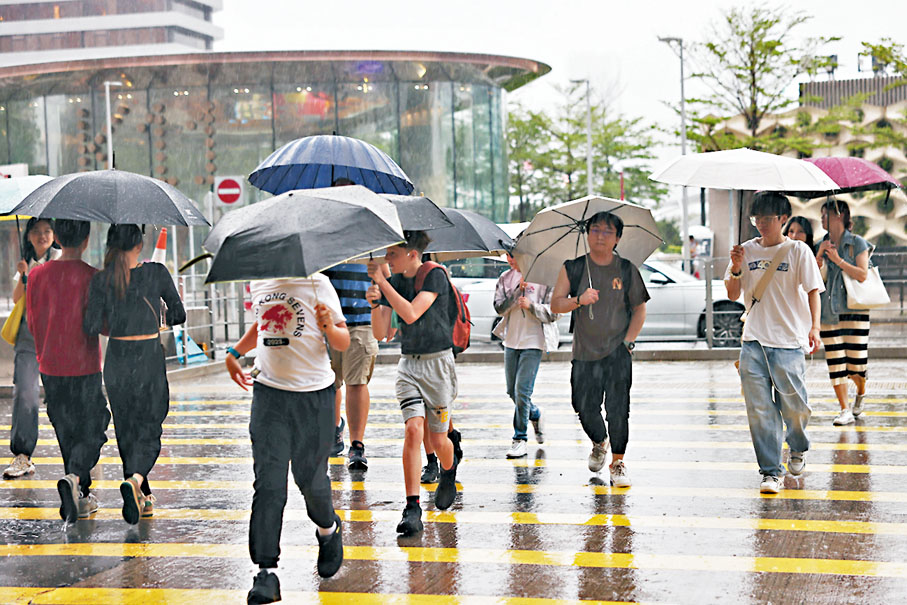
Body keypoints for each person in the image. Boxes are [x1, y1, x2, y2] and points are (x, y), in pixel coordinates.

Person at [225, 273, 349, 603]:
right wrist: (235, 352)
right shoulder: (261, 283)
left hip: (314, 396)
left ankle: (328, 529)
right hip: (269, 396)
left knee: (311, 481)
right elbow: (263, 325)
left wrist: (328, 327)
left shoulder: (317, 284)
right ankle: (267, 571)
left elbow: (343, 342)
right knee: (268, 483)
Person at [84, 224, 186, 524]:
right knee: (151, 428)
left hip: (116, 359)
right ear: (139, 245)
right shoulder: (156, 273)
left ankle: (141, 494)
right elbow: (179, 315)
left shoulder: (101, 279)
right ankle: (136, 479)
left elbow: (91, 325)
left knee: (126, 430)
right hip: (148, 358)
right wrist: (159, 315)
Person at [725, 192, 823, 494]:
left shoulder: (798, 251)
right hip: (753, 341)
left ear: (783, 219)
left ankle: (797, 445)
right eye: (757, 219)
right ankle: (770, 471)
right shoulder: (745, 251)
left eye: (767, 219)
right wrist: (737, 267)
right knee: (759, 410)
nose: (761, 224)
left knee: (793, 407)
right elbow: (731, 294)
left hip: (789, 341)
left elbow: (812, 291)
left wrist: (815, 327)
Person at [366, 230, 459, 536]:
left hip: (438, 366)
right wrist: (374, 303)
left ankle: (448, 469)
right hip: (409, 366)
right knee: (412, 430)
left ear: (411, 254)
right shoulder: (393, 283)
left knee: (438, 441)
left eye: (392, 253)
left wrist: (382, 284)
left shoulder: (435, 276)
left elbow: (410, 312)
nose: (387, 259)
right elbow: (382, 334)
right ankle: (412, 506)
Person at [551, 212, 649, 487]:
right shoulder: (573, 267)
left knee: (619, 409)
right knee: (583, 406)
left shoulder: (627, 269)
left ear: (617, 238)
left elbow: (640, 309)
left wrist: (628, 342)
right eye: (595, 230)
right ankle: (599, 441)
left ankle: (617, 462)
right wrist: (578, 300)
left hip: (618, 351)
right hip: (584, 352)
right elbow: (556, 304)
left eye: (607, 232)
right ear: (587, 234)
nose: (600, 236)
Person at [25, 219, 110, 521]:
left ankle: (78, 493)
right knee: (95, 426)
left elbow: (32, 321)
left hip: (50, 365)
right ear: (87, 239)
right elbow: (103, 325)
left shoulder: (36, 275)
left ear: (57, 237)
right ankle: (75, 479)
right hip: (84, 366)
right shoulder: (94, 277)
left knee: (67, 431)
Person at [3, 218, 60, 479]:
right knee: (25, 394)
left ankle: (82, 456)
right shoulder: (25, 262)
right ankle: (23, 456)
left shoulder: (59, 259)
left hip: (56, 337)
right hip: (28, 337)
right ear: (28, 236)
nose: (42, 236)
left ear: (54, 235)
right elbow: (16, 300)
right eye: (36, 232)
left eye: (47, 231)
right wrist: (23, 276)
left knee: (64, 398)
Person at [494, 252, 557, 459]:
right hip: (511, 342)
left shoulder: (545, 279)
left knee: (522, 392)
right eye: (508, 257)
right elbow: (499, 307)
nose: (510, 260)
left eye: (514, 256)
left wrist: (531, 306)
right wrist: (516, 293)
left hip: (534, 342)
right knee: (512, 392)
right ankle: (536, 414)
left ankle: (519, 438)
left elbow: (554, 312)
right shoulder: (505, 279)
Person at [815, 200, 871, 426]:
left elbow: (862, 274)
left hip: (854, 311)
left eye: (825, 215)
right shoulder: (821, 244)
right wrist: (819, 255)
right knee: (836, 363)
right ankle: (844, 409)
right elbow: (815, 279)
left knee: (856, 365)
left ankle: (861, 392)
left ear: (839, 216)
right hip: (828, 312)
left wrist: (838, 260)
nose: (821, 220)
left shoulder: (857, 243)